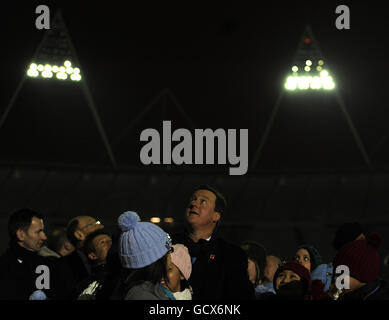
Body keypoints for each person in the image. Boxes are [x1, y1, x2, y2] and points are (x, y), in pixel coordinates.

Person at [172, 185, 255, 300]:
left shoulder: (232, 255)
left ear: (216, 216)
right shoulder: (165, 245)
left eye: (203, 202)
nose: (194, 204)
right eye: (193, 199)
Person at [0, 208, 67, 299]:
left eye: (43, 231)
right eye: (38, 232)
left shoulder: (50, 261)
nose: (44, 237)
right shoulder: (5, 267)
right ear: (21, 235)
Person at [113, 211, 176, 300]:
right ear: (157, 259)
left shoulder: (147, 291)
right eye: (169, 250)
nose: (170, 255)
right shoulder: (142, 296)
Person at [328, 233, 389, 300]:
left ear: (362, 275)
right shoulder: (346, 295)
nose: (336, 279)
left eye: (342, 273)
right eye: (336, 273)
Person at [61, 215, 104, 288]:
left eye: (98, 222)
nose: (101, 226)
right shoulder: (64, 267)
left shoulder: (111, 257)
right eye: (92, 224)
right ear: (79, 235)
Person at [76, 229, 113, 300]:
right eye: (102, 242)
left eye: (110, 240)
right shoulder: (89, 286)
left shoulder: (123, 274)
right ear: (93, 256)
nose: (110, 243)